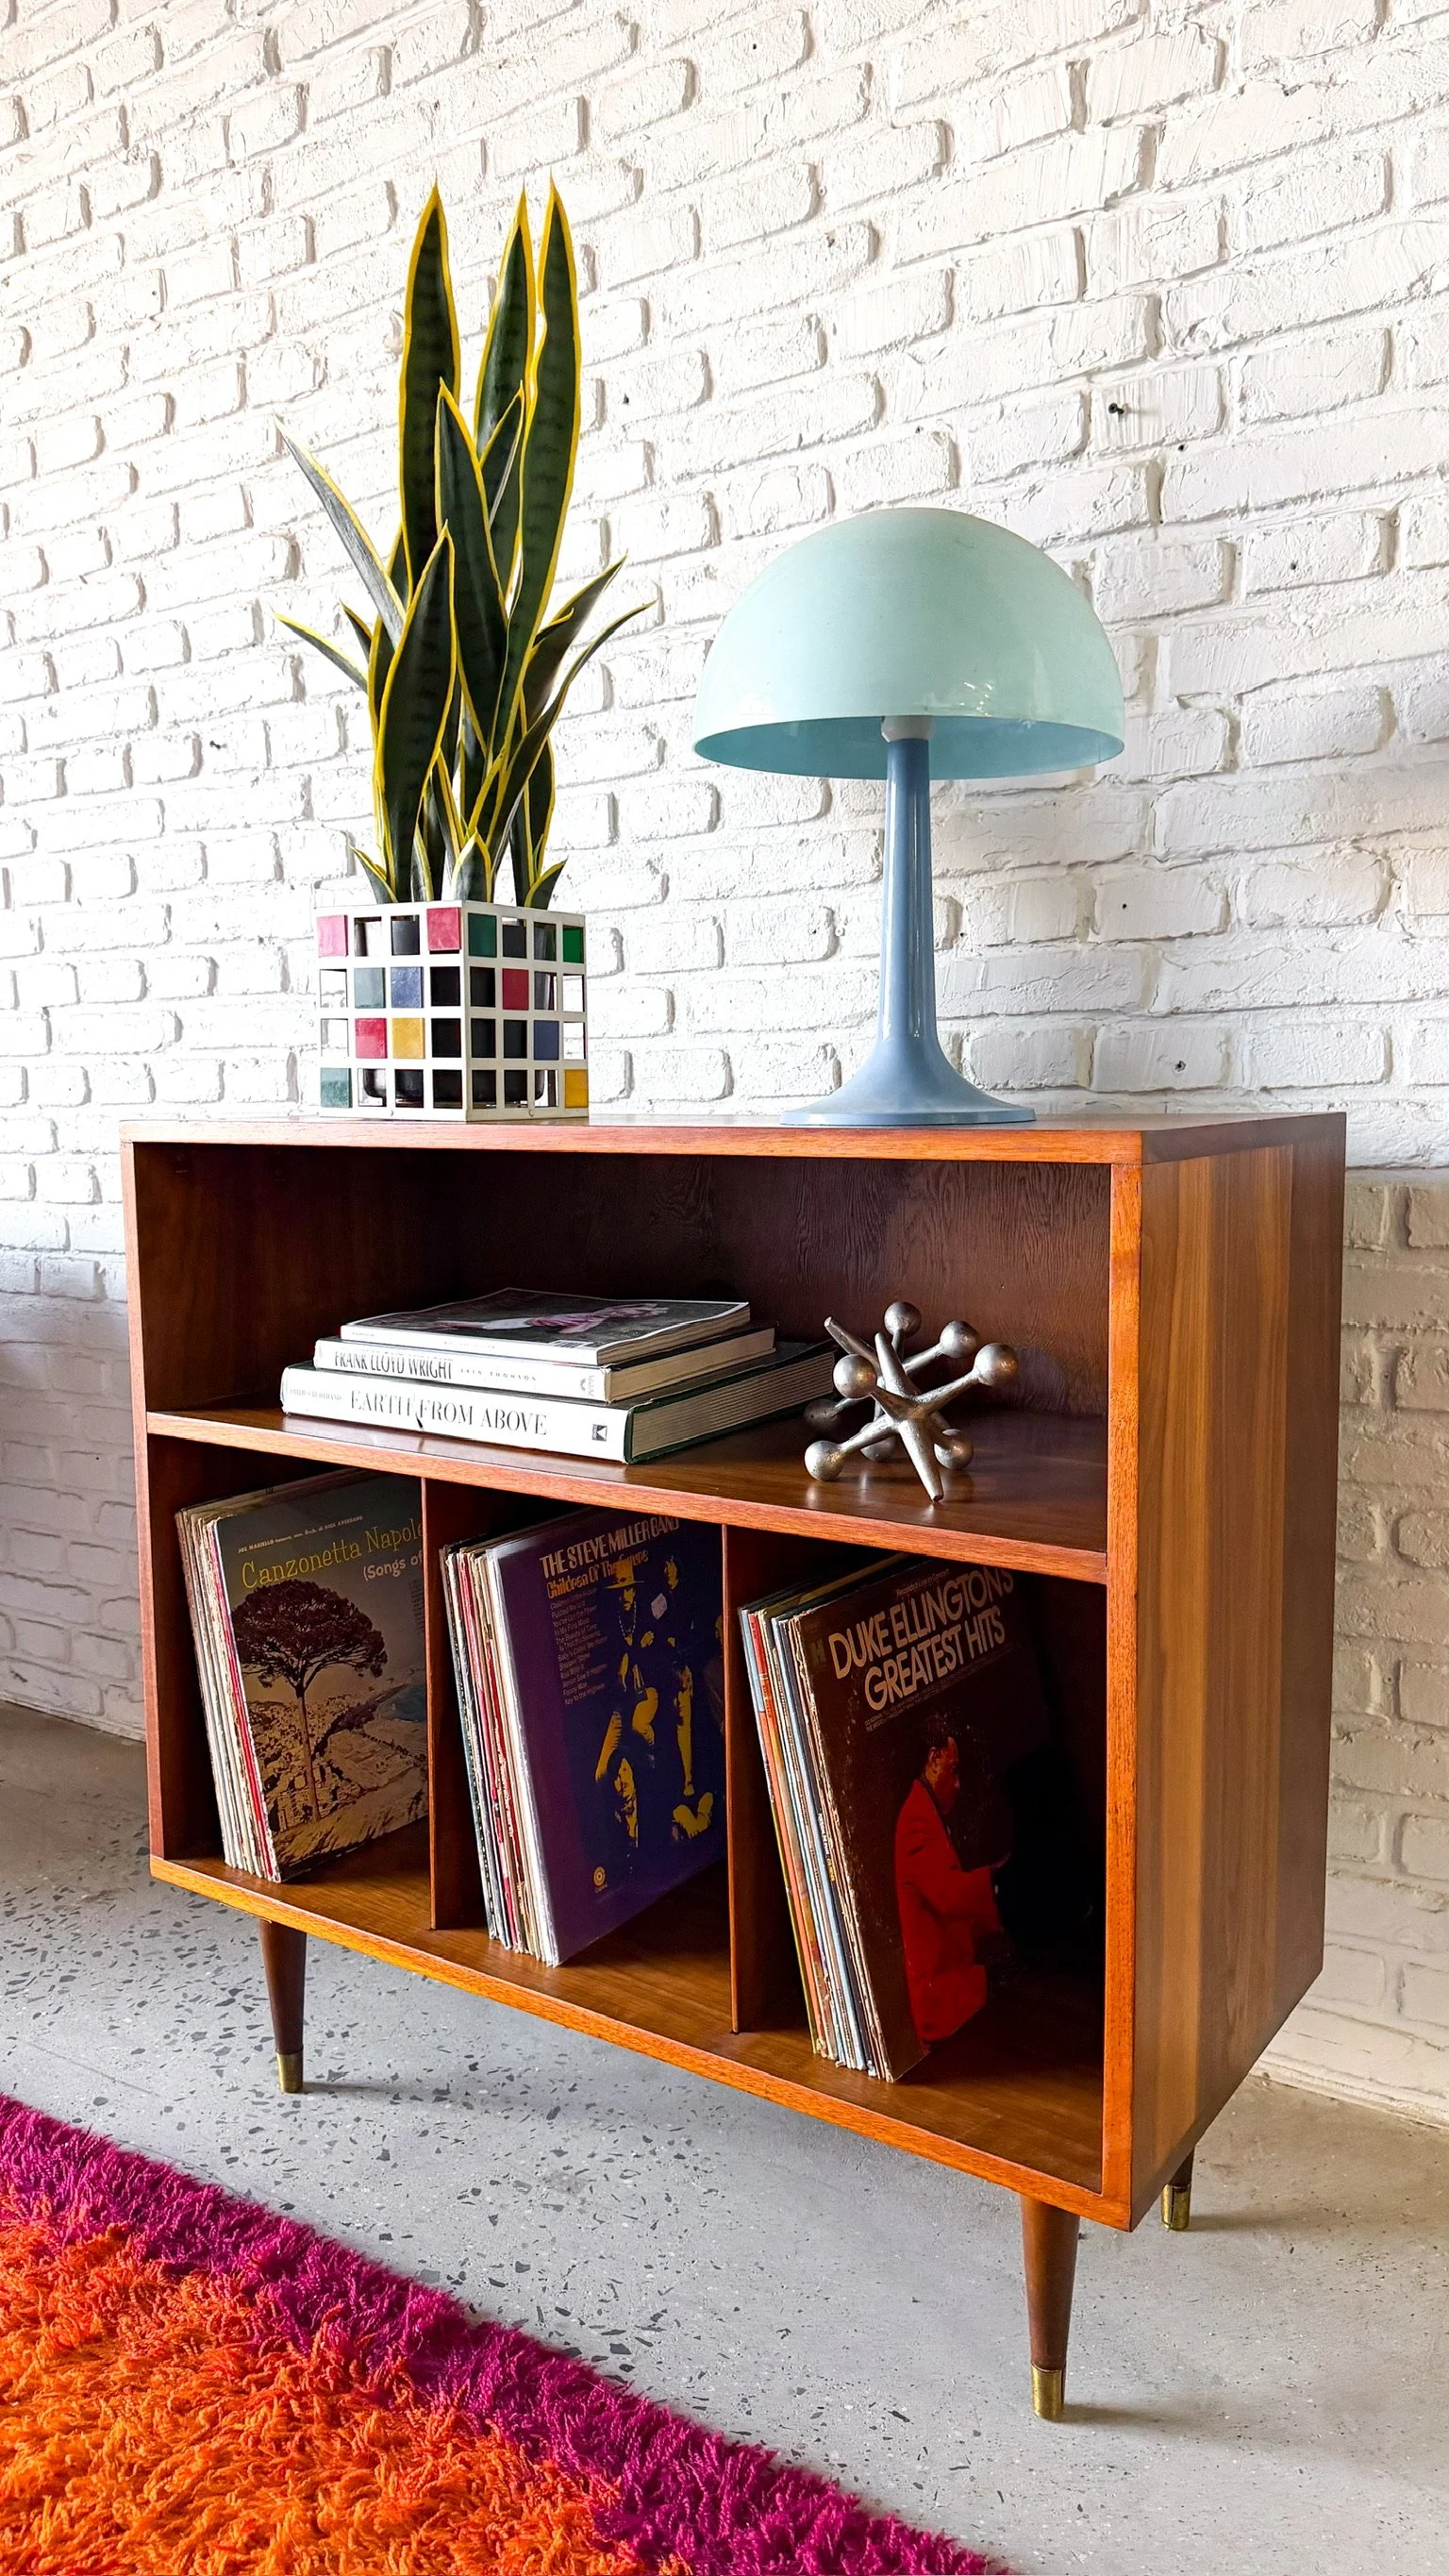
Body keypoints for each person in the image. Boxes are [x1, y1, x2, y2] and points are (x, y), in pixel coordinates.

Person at [893, 1714, 1004, 2047]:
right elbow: (950, 1896)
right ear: (933, 1759)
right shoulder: (916, 1821)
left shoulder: (926, 1813)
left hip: (954, 1983)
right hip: (942, 2000)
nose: (957, 1785)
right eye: (953, 1770)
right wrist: (997, 1881)